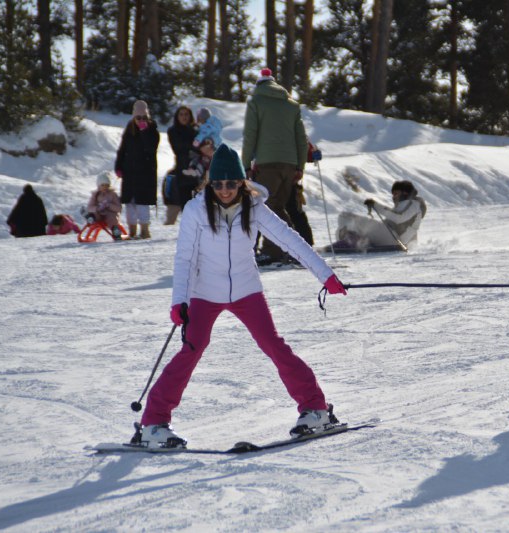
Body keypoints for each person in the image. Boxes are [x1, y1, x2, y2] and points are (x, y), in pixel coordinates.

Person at [132, 143, 348, 449]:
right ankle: (153, 423)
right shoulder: (195, 210)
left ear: (242, 182)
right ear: (210, 182)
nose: (224, 190)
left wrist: (325, 275)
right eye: (218, 184)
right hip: (205, 293)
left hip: (247, 290)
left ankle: (316, 409)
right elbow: (185, 259)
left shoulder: (255, 207)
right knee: (191, 350)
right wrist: (179, 300)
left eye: (231, 183)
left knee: (273, 344)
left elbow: (290, 240)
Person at [241, 68, 309, 265]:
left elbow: (250, 136)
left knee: (267, 208)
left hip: (267, 164)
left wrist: (245, 165)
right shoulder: (291, 105)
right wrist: (300, 166)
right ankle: (288, 249)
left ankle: (282, 250)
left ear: (259, 84)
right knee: (277, 206)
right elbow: (301, 140)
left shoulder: (256, 102)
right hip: (289, 165)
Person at [329, 180, 427, 252]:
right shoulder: (404, 205)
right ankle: (352, 240)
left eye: (396, 193)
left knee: (347, 217)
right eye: (393, 194)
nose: (394, 197)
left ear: (405, 192)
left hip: (394, 239)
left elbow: (399, 218)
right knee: (344, 221)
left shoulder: (414, 204)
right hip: (391, 238)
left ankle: (351, 241)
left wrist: (376, 205)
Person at [115, 99, 160, 239]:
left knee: (142, 203)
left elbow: (151, 148)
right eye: (138, 117)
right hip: (129, 172)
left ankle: (145, 230)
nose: (141, 120)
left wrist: (144, 131)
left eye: (144, 117)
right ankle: (132, 230)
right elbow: (122, 150)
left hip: (145, 172)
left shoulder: (152, 131)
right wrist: (118, 165)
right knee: (130, 203)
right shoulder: (129, 130)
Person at [165, 105, 198, 225]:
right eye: (181, 114)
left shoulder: (196, 130)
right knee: (185, 201)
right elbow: (178, 148)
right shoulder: (173, 131)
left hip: (197, 169)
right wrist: (192, 146)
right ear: (177, 116)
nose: (184, 117)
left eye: (186, 114)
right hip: (182, 169)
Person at [86, 171, 123, 239]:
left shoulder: (113, 194)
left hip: (110, 214)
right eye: (102, 185)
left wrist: (109, 205)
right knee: (94, 213)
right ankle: (91, 218)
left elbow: (119, 208)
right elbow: (89, 207)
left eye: (107, 185)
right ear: (98, 185)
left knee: (112, 217)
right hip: (99, 213)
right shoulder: (95, 194)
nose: (105, 187)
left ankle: (116, 231)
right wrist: (97, 208)